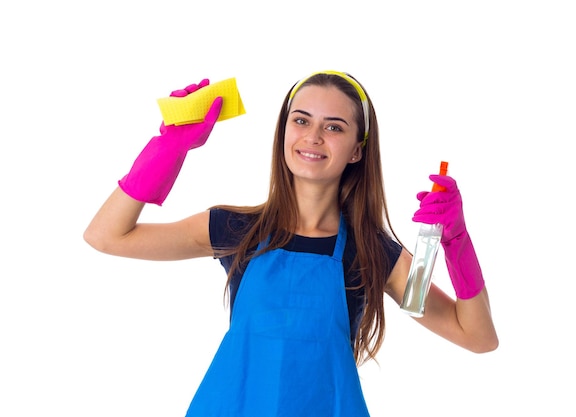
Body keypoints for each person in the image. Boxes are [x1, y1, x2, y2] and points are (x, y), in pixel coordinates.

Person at [84, 70, 498, 417]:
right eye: (301, 120)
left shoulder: (375, 253)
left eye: (333, 126)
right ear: (284, 132)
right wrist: (169, 149)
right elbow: (106, 236)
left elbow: (476, 336)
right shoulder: (233, 230)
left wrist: (457, 242)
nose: (313, 136)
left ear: (356, 150)